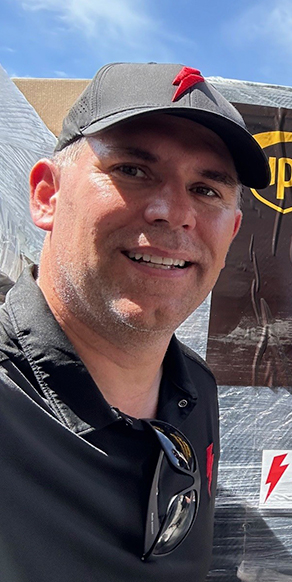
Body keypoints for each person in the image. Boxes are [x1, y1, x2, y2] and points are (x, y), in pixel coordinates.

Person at [0, 62, 269, 580]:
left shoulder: (196, 391)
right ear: (47, 195)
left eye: (207, 190)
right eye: (132, 170)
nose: (175, 212)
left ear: (231, 232)